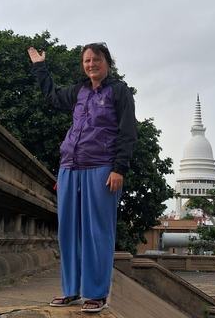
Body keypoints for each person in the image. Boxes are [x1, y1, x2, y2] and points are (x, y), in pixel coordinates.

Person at [28, 42, 137, 313]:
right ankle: (71, 291)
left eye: (96, 60)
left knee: (97, 232)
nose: (91, 65)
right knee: (68, 232)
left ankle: (96, 293)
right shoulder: (79, 91)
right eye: (87, 61)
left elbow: (127, 132)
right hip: (69, 168)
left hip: (101, 168)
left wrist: (119, 168)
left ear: (107, 62)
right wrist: (40, 68)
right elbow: (52, 95)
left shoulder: (119, 91)